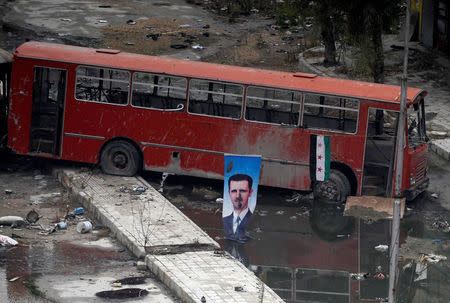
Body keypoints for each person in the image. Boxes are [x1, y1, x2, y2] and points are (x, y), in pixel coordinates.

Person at [223, 173, 254, 242]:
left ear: (250, 192)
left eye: (242, 191)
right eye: (234, 191)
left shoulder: (255, 222)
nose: (238, 196)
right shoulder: (224, 220)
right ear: (229, 193)